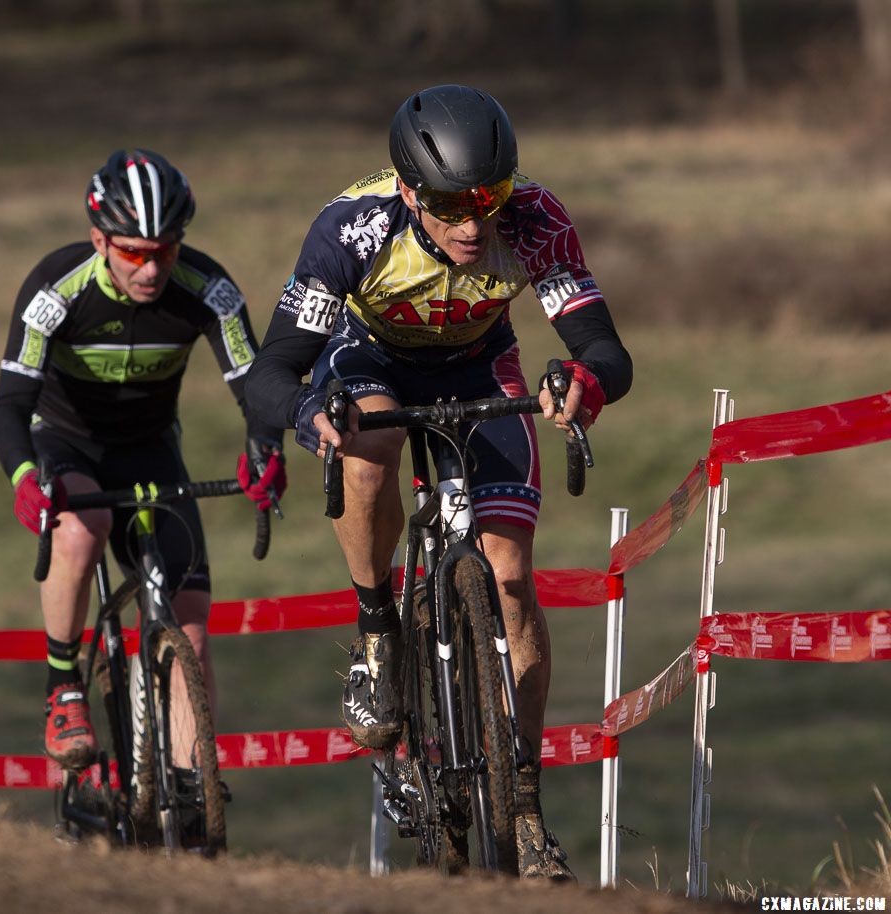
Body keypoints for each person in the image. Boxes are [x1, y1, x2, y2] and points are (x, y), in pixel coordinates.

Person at [245, 85, 631, 880]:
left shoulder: (534, 218)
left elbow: (602, 344)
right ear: (410, 191)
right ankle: (379, 629)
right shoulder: (350, 229)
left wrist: (583, 383)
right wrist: (307, 412)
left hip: (480, 364)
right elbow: (272, 369)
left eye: (487, 198)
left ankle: (522, 804)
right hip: (371, 361)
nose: (472, 224)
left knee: (514, 577)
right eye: (451, 205)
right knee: (370, 445)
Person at [0, 148, 286, 777]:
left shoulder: (211, 290)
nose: (150, 270)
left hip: (151, 449)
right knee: (80, 531)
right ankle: (63, 685)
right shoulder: (55, 290)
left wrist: (266, 449)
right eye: (132, 253)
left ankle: (190, 796)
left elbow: (256, 388)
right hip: (66, 443)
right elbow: (9, 405)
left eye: (165, 251)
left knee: (194, 636)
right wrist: (22, 478)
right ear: (99, 240)